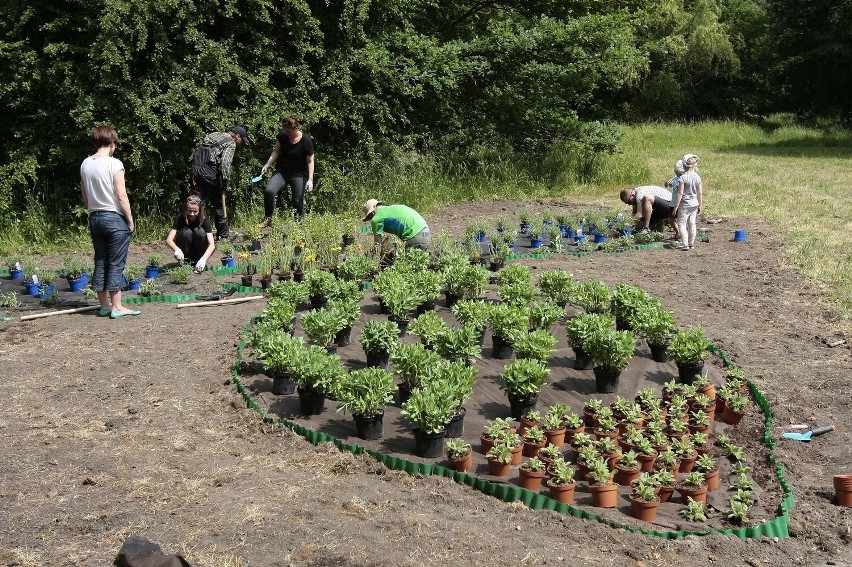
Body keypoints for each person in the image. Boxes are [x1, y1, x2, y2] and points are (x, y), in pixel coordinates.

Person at [79, 125, 140, 319]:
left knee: (100, 261)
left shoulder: (85, 164)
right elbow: (121, 195)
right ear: (112, 143)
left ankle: (104, 305)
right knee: (116, 263)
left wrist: (91, 208)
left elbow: (84, 194)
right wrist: (130, 220)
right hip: (114, 218)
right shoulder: (114, 164)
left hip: (95, 217)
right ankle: (118, 306)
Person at [189, 125, 249, 240]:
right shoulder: (231, 143)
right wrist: (224, 182)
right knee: (219, 205)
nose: (241, 143)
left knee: (197, 204)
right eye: (242, 140)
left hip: (196, 172)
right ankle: (223, 235)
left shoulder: (214, 134)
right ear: (237, 136)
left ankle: (194, 233)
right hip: (209, 174)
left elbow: (209, 153)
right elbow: (225, 164)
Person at [259, 115, 315, 224]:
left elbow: (310, 161)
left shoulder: (306, 141)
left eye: (289, 131)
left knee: (297, 201)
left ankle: (299, 225)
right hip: (282, 172)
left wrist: (310, 179)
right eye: (285, 130)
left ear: (296, 128)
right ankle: (268, 218)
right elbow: (276, 151)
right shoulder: (282, 136)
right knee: (269, 191)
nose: (287, 133)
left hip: (298, 174)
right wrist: (267, 164)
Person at [165, 195, 216, 273]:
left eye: (195, 211)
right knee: (186, 232)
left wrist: (203, 259)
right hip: (184, 250)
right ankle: (185, 262)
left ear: (200, 210)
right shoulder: (180, 218)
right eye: (189, 211)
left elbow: (212, 244)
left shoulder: (204, 220)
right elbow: (169, 240)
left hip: (200, 252)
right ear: (186, 209)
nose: (192, 214)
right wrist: (177, 249)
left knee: (199, 231)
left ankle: (199, 262)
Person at [361, 199, 431, 250]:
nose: (370, 219)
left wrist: (372, 254)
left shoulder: (376, 219)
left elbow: (378, 245)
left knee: (406, 267)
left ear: (371, 213)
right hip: (426, 231)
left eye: (369, 217)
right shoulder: (391, 209)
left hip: (415, 237)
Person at [672, 153, 703, 251]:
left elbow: (680, 193)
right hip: (694, 204)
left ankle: (685, 244)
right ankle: (691, 243)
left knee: (681, 223)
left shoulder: (683, 178)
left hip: (684, 205)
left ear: (684, 165)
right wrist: (700, 205)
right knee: (692, 223)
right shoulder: (698, 177)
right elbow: (700, 193)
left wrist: (676, 206)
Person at [666, 160, 686, 242]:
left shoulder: (684, 179)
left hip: (681, 203)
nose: (677, 174)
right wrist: (668, 184)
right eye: (676, 172)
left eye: (679, 173)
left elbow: (682, 191)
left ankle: (683, 235)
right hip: (673, 203)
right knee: (671, 219)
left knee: (681, 220)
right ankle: (677, 232)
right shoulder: (675, 178)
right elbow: (667, 185)